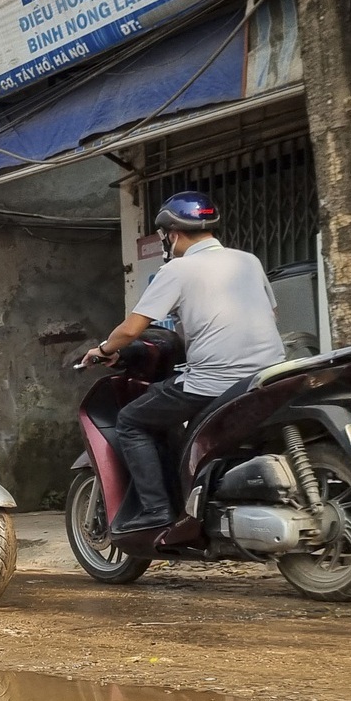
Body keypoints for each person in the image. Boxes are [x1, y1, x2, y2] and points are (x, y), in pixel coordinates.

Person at [81, 191, 285, 532]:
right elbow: (272, 314)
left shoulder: (179, 268)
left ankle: (157, 510)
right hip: (267, 375)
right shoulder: (248, 260)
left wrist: (102, 350)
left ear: (172, 234)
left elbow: (131, 330)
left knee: (131, 420)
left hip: (214, 382)